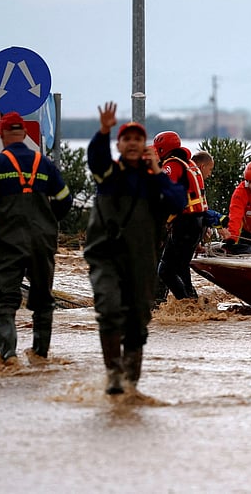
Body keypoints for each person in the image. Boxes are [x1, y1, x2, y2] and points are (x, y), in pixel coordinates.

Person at [83, 102, 186, 395]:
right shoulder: (108, 174)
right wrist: (103, 130)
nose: (131, 144)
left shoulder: (153, 181)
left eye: (137, 139)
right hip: (106, 256)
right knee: (109, 308)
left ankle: (132, 383)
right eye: (126, 139)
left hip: (141, 260)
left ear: (145, 146)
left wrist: (156, 171)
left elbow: (178, 202)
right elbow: (95, 157)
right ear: (119, 144)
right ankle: (114, 373)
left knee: (138, 319)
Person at [0, 111, 73, 367]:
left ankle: (9, 357)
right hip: (42, 242)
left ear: (2, 136)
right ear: (24, 134)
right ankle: (40, 356)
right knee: (43, 302)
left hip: (8, 241)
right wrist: (49, 221)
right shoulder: (45, 164)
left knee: (5, 300)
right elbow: (65, 200)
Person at [154, 131, 208, 300]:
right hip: (196, 223)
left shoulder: (172, 165)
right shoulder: (189, 163)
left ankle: (186, 305)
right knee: (182, 268)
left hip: (185, 223)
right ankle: (194, 304)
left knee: (165, 270)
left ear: (163, 149)